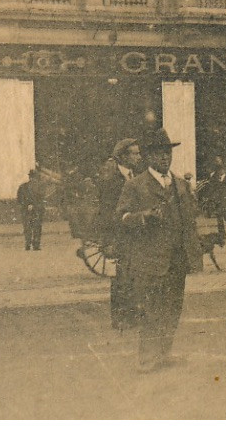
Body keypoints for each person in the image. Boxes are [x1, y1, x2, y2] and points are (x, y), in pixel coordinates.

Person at [115, 129, 204, 372]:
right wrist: (143, 217)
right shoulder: (136, 186)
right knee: (153, 309)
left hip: (178, 260)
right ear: (148, 157)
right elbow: (121, 217)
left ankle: (164, 354)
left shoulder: (181, 185)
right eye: (159, 153)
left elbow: (190, 221)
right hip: (151, 260)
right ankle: (147, 358)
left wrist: (194, 251)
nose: (165, 158)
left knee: (173, 308)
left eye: (168, 153)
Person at [97, 138, 143, 330]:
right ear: (123, 157)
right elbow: (106, 212)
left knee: (136, 275)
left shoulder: (137, 177)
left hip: (136, 234)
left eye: (139, 153)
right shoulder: (112, 181)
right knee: (121, 278)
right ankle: (119, 317)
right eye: (134, 153)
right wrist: (108, 240)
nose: (139, 157)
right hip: (120, 235)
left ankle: (133, 314)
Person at [16, 167, 47, 251]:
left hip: (28, 210)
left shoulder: (23, 186)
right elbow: (41, 198)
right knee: (35, 227)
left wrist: (26, 205)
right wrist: (32, 204)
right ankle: (35, 244)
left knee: (28, 227)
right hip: (36, 209)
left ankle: (28, 244)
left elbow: (19, 198)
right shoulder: (39, 186)